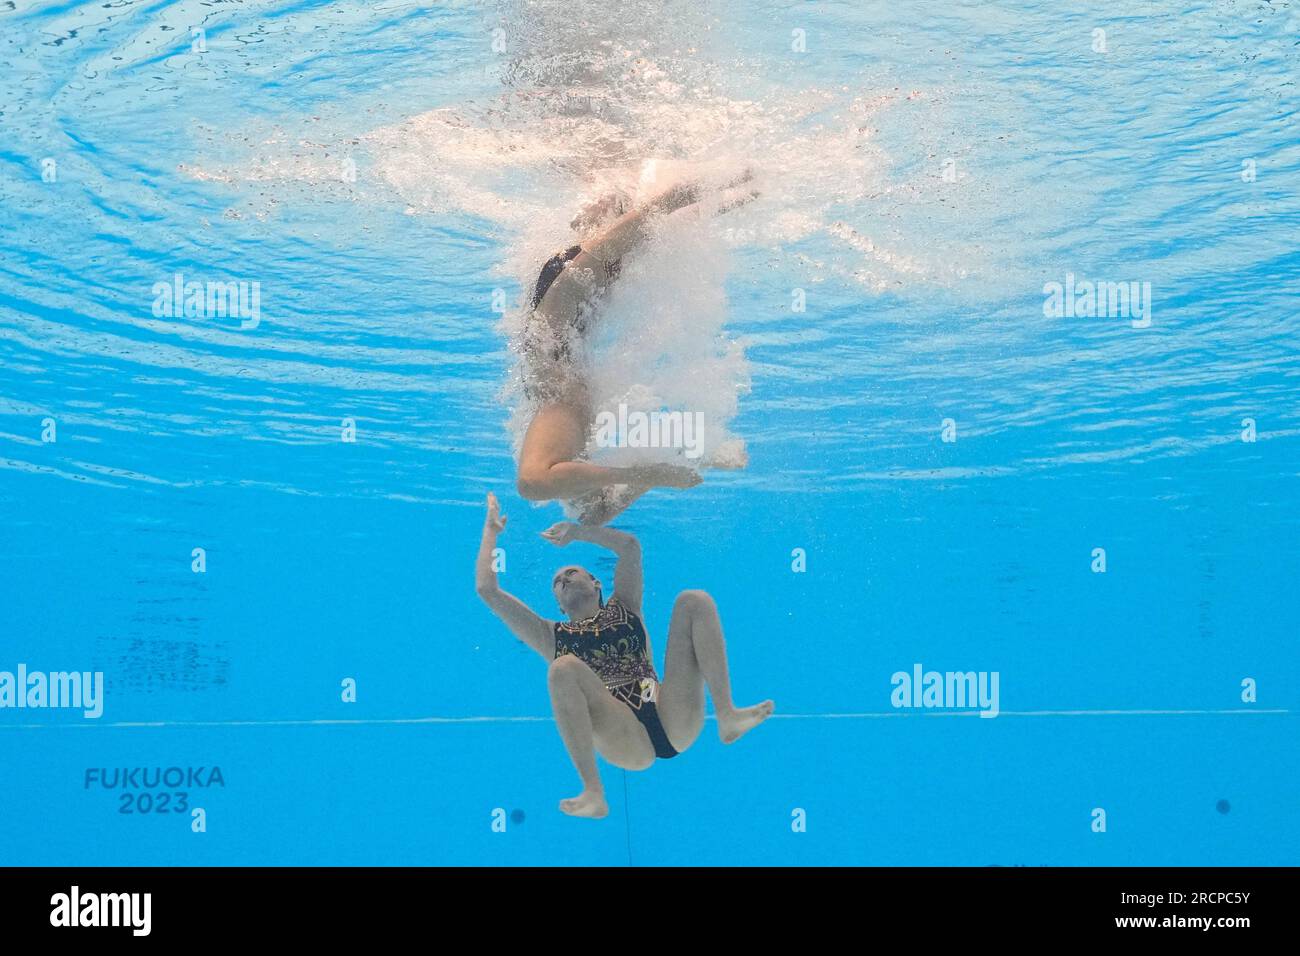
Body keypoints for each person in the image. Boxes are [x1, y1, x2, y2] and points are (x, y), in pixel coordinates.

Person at [474, 491, 774, 819]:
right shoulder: (550, 635)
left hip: (671, 712)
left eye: (571, 572)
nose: (563, 579)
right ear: (559, 605)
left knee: (693, 600)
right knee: (562, 668)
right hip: (624, 738)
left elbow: (629, 547)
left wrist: (577, 532)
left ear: (596, 582)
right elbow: (487, 590)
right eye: (558, 582)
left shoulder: (625, 605)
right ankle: (593, 791)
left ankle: (727, 715)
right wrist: (490, 532)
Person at [515, 167, 757, 524]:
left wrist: (737, 189)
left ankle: (659, 467)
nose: (586, 208)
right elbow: (670, 205)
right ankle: (663, 465)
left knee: (569, 500)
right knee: (574, 503)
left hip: (560, 333)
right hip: (560, 339)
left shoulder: (563, 406)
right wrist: (740, 179)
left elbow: (668, 211)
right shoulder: (564, 405)